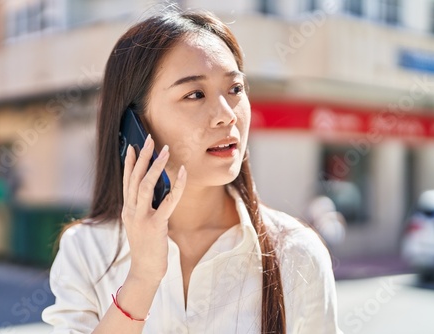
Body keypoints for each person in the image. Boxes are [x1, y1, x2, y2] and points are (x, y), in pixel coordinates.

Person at [42, 8, 342, 334]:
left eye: (236, 89)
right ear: (135, 126)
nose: (226, 115)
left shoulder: (296, 252)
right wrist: (142, 279)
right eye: (195, 94)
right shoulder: (88, 250)